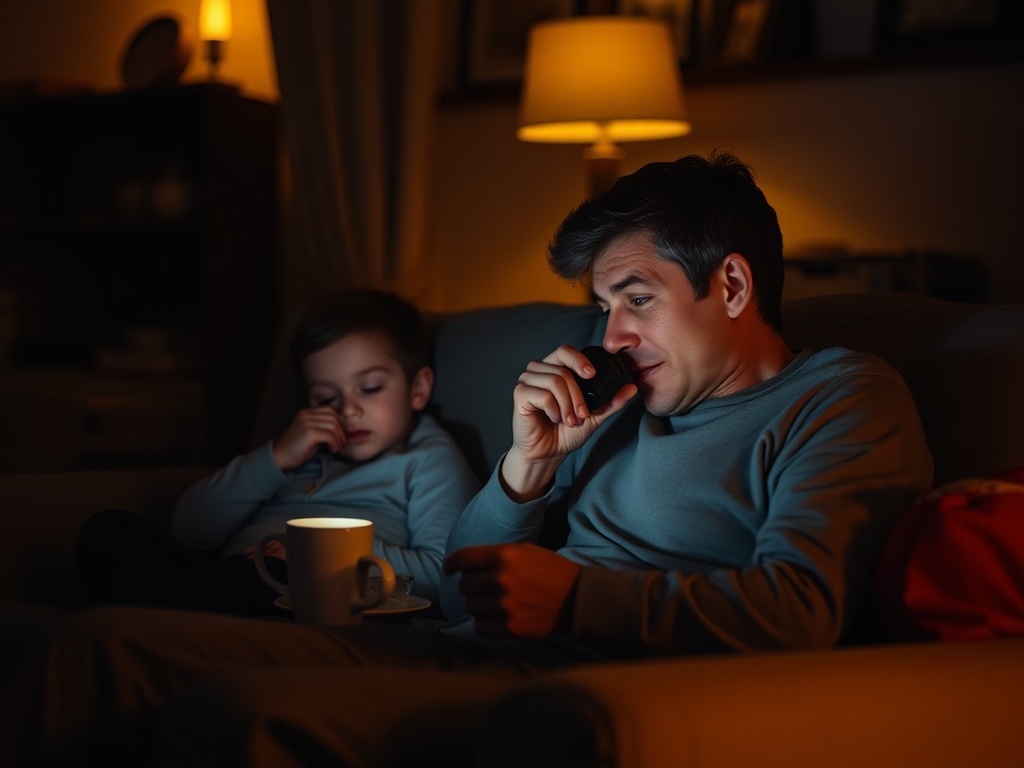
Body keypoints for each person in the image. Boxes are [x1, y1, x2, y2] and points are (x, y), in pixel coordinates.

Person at [1, 153, 933, 767]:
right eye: (603, 304)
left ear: (731, 283)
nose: (611, 333)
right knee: (99, 644)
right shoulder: (620, 395)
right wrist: (527, 470)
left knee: (236, 716)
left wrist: (574, 597)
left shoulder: (841, 398)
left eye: (636, 297)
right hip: (449, 645)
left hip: (567, 683)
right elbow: (456, 587)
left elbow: (801, 611)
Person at [75, 288, 480, 614]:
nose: (347, 409)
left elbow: (441, 572)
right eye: (325, 397)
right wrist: (276, 458)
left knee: (265, 575)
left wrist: (317, 555)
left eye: (370, 388)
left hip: (296, 588)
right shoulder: (301, 450)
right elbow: (190, 533)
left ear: (419, 389)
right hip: (220, 570)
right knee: (111, 529)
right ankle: (154, 611)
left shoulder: (426, 457)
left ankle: (147, 614)